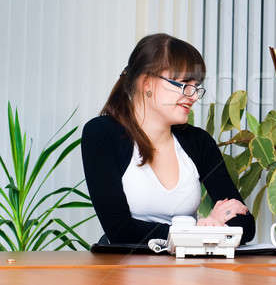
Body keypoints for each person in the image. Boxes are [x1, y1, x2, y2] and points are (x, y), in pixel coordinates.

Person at [81, 33, 255, 245]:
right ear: (147, 83)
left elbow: (245, 223)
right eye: (183, 84)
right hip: (125, 271)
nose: (193, 95)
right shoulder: (101, 134)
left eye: (196, 86)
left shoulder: (198, 142)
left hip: (187, 272)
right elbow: (120, 230)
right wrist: (199, 229)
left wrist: (199, 231)